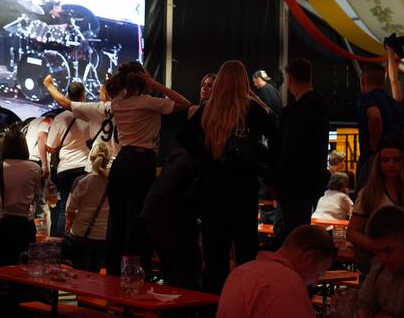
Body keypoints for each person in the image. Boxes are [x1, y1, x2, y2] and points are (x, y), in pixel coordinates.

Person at [179, 60, 279, 294]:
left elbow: (183, 136)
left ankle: (213, 301)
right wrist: (262, 163)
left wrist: (207, 153)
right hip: (242, 185)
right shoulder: (251, 109)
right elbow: (276, 138)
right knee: (245, 247)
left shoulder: (208, 109)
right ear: (243, 81)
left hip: (211, 186)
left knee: (214, 250)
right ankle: (244, 298)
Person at [104, 62, 190, 276]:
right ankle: (134, 273)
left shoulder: (117, 103)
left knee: (116, 220)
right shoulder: (148, 102)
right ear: (143, 80)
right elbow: (185, 103)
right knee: (137, 220)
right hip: (140, 163)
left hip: (121, 162)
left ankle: (113, 273)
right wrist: (155, 84)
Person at [217, 225, 336, 318]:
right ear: (308, 258)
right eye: (318, 273)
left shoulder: (240, 271)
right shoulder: (286, 282)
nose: (316, 282)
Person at [346, 136, 404, 274]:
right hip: (381, 264)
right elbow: (352, 232)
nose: (391, 164)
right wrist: (378, 247)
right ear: (378, 163)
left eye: (396, 159)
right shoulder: (369, 193)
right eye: (385, 160)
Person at [273, 59, 329, 238]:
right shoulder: (320, 108)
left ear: (290, 79)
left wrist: (275, 176)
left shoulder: (296, 113)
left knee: (290, 236)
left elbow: (290, 151)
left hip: (292, 185)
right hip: (310, 184)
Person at [356, 63, 404, 190]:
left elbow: (374, 115)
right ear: (383, 81)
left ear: (363, 80)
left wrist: (375, 146)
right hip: (396, 167)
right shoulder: (395, 104)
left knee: (367, 201)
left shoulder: (366, 98)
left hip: (373, 164)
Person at [141, 147, 203, 290]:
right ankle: (184, 302)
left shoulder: (181, 157)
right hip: (171, 217)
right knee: (186, 271)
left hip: (153, 213)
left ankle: (171, 300)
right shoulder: (199, 159)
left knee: (170, 269)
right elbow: (193, 196)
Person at [0, 126, 41, 266]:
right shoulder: (34, 168)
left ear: (3, 147)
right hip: (24, 226)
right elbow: (35, 197)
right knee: (23, 269)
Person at [43, 74, 120, 171]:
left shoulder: (97, 109)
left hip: (96, 168)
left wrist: (49, 86)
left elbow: (65, 103)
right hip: (118, 167)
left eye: (100, 91)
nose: (98, 93)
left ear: (105, 93)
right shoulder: (128, 110)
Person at [46, 82, 90, 236]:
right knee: (83, 208)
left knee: (64, 208)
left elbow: (50, 147)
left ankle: (61, 245)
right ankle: (79, 243)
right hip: (85, 168)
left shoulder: (60, 118)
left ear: (67, 96)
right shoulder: (89, 115)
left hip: (65, 169)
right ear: (83, 95)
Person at [64, 142, 111, 272]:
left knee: (80, 274)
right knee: (95, 274)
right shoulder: (113, 183)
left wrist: (68, 223)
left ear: (90, 158)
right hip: (103, 235)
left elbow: (70, 211)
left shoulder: (82, 181)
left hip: (80, 234)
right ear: (108, 160)